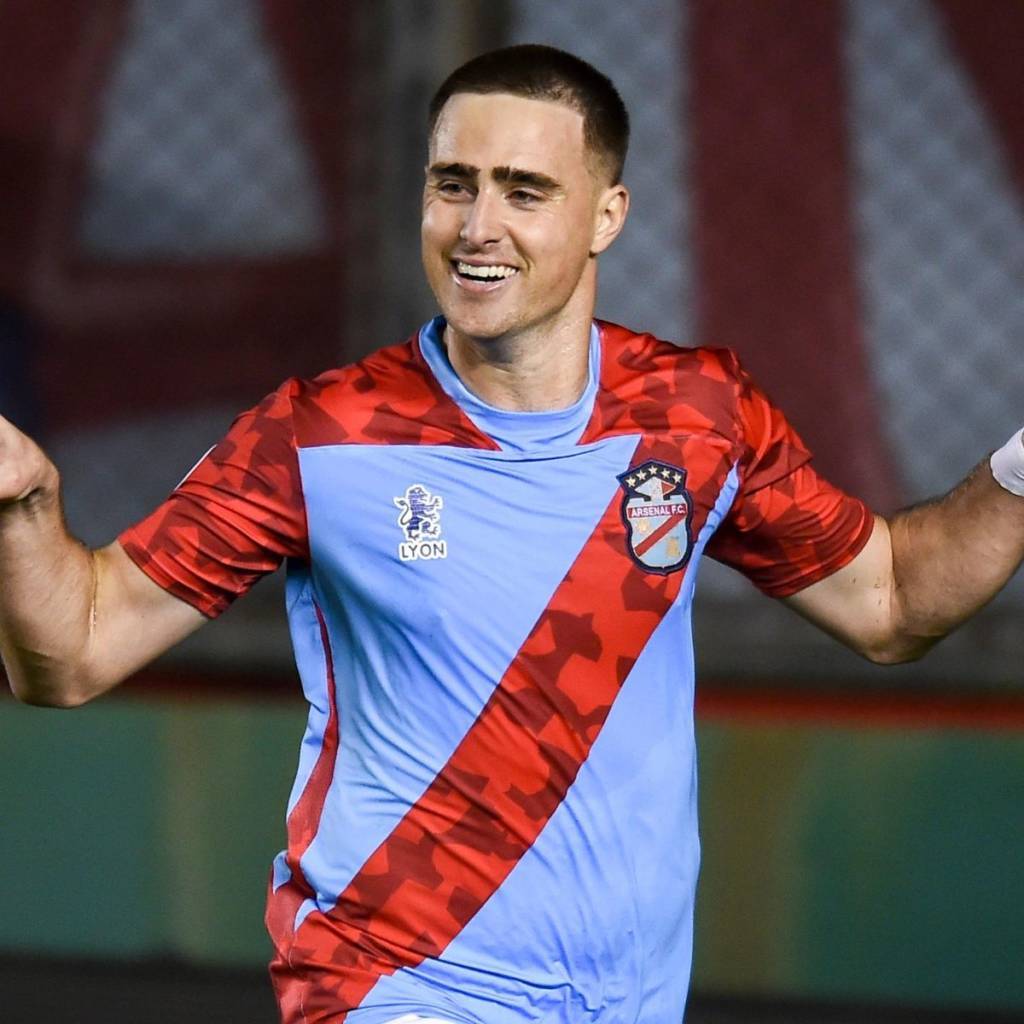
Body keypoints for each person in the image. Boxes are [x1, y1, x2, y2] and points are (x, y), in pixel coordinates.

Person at [2, 44, 1023, 1024]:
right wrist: (24, 508)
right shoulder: (319, 436)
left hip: (627, 998)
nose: (476, 226)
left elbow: (893, 601)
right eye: (454, 184)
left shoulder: (700, 415)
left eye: (524, 192)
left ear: (606, 216)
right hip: (395, 981)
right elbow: (77, 648)